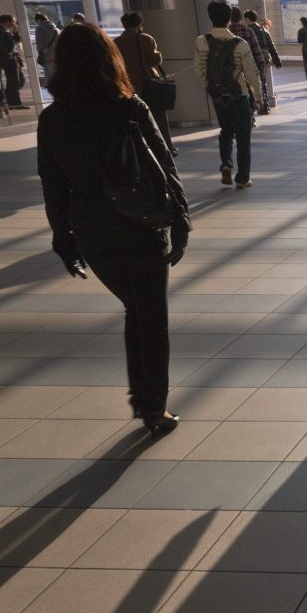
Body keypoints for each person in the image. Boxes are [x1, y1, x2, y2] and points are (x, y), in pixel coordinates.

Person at [38, 22, 188, 435]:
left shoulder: (52, 120)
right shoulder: (128, 107)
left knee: (135, 309)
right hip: (141, 223)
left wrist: (62, 238)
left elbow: (53, 185)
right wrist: (182, 219)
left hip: (92, 231)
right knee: (150, 316)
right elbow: (165, 167)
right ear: (109, 59)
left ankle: (144, 400)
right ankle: (152, 407)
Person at [194, 0, 260, 188]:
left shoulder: (202, 41)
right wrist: (258, 97)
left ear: (210, 16)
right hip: (239, 94)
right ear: (230, 17)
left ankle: (226, 164)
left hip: (217, 94)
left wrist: (215, 81)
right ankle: (243, 178)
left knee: (226, 130)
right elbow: (251, 73)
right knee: (243, 136)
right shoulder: (240, 44)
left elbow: (198, 70)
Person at [115, 12, 174, 154]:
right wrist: (158, 55)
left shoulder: (117, 42)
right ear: (140, 24)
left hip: (128, 86)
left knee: (134, 119)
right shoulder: (146, 39)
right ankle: (166, 148)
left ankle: (140, 149)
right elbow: (154, 61)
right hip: (149, 83)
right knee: (159, 119)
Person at [226, 6, 267, 115]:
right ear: (241, 18)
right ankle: (250, 113)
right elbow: (257, 51)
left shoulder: (226, 33)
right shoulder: (248, 31)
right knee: (250, 90)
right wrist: (261, 68)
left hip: (231, 72)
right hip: (248, 67)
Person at [244, 9, 280, 111]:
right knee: (263, 81)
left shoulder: (247, 31)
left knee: (252, 82)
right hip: (265, 58)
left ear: (247, 19)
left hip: (253, 58)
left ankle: (255, 105)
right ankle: (265, 105)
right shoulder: (264, 30)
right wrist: (277, 60)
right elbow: (271, 46)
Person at [0, 15, 26, 109]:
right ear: (7, 22)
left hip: (12, 59)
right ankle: (15, 104)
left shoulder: (5, 30)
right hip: (8, 60)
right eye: (13, 21)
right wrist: (8, 56)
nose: (14, 23)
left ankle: (0, 97)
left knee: (19, 81)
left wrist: (15, 31)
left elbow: (17, 40)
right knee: (14, 82)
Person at [34, 12, 59, 81]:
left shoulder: (39, 28)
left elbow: (39, 42)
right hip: (57, 55)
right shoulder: (56, 29)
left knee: (49, 75)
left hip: (47, 55)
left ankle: (52, 89)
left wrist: (40, 52)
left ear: (39, 20)